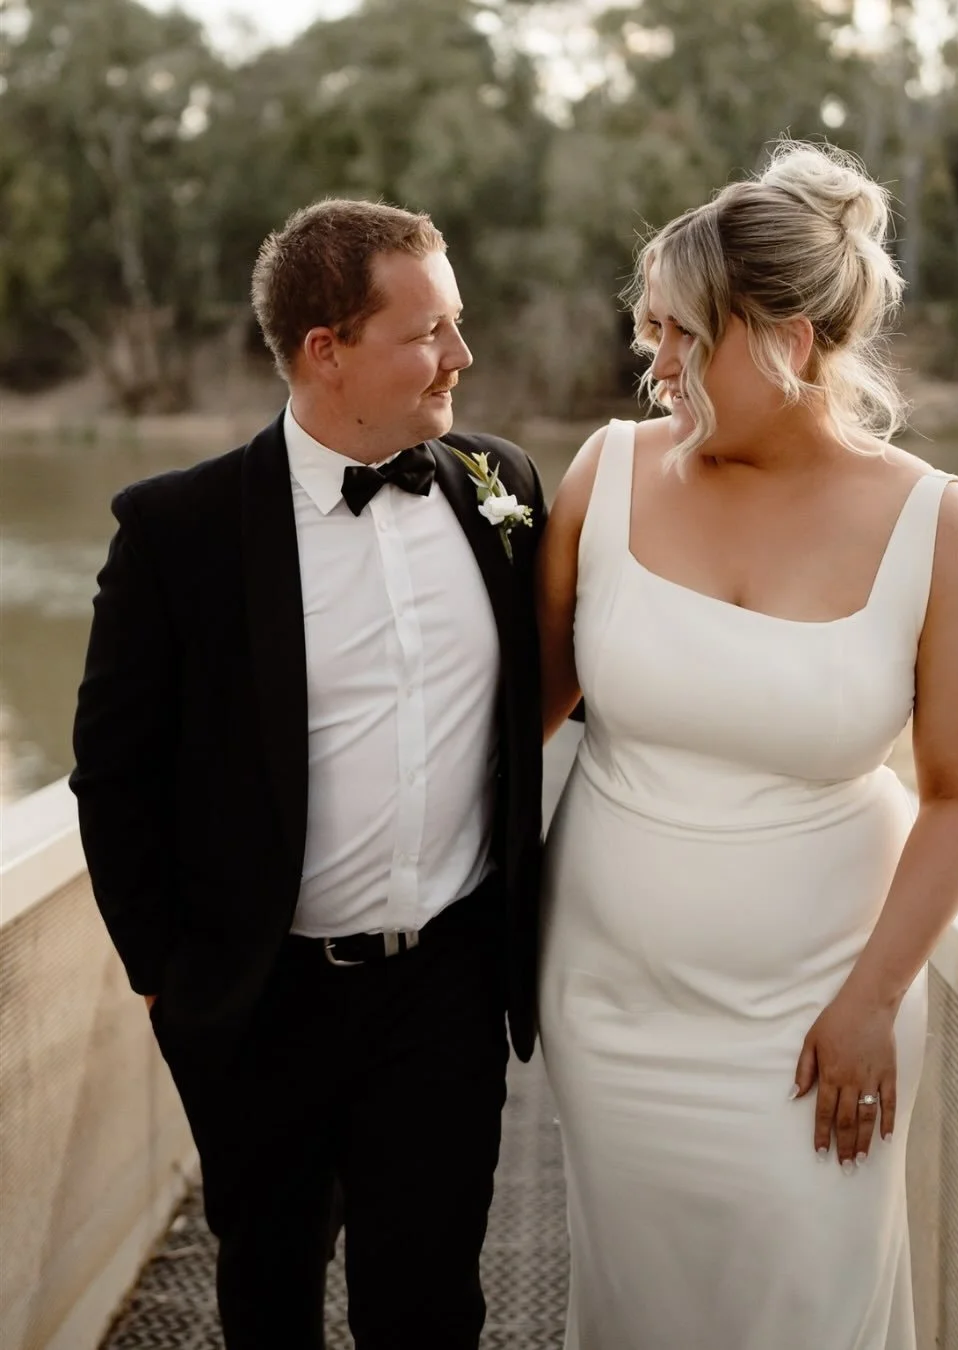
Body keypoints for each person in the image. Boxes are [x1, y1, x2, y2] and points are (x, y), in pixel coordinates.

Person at [536, 142, 958, 1350]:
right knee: (641, 1313)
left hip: (818, 1019)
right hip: (610, 1011)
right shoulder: (607, 473)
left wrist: (872, 998)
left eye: (679, 337)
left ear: (787, 341)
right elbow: (517, 713)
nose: (652, 366)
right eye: (649, 332)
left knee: (809, 1308)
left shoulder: (933, 523)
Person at [70, 198, 547, 1350]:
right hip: (259, 999)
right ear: (325, 350)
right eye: (427, 331)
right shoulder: (178, 533)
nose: (461, 357)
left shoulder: (504, 492)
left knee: (430, 1301)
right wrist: (166, 978)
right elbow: (112, 774)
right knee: (269, 1288)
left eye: (459, 323)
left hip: (444, 987)